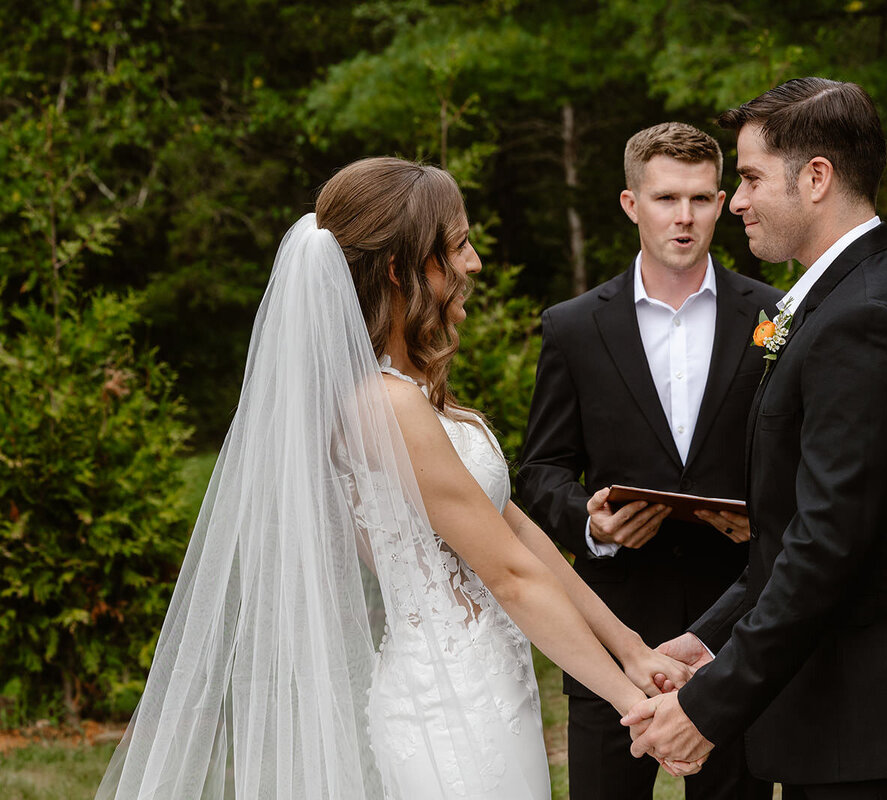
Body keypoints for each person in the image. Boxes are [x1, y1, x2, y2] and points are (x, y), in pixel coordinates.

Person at [95, 157, 693, 800]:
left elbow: (514, 530)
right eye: (458, 245)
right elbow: (510, 578)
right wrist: (637, 706)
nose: (474, 263)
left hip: (487, 684)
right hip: (447, 708)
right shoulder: (384, 405)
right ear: (398, 267)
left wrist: (631, 649)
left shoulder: (410, 388)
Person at [622, 79, 887, 799]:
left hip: (869, 723)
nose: (734, 201)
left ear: (818, 178)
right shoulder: (845, 297)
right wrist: (710, 638)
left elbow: (829, 544)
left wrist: (708, 709)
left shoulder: (868, 316)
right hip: (840, 717)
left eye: (751, 178)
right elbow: (799, 524)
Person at [518, 123, 779, 800]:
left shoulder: (776, 317)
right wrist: (590, 523)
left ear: (722, 204)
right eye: (666, 198)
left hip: (736, 622)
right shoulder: (574, 326)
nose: (684, 217)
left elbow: (794, 456)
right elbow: (540, 469)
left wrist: (765, 517)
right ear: (632, 205)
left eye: (699, 199)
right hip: (614, 620)